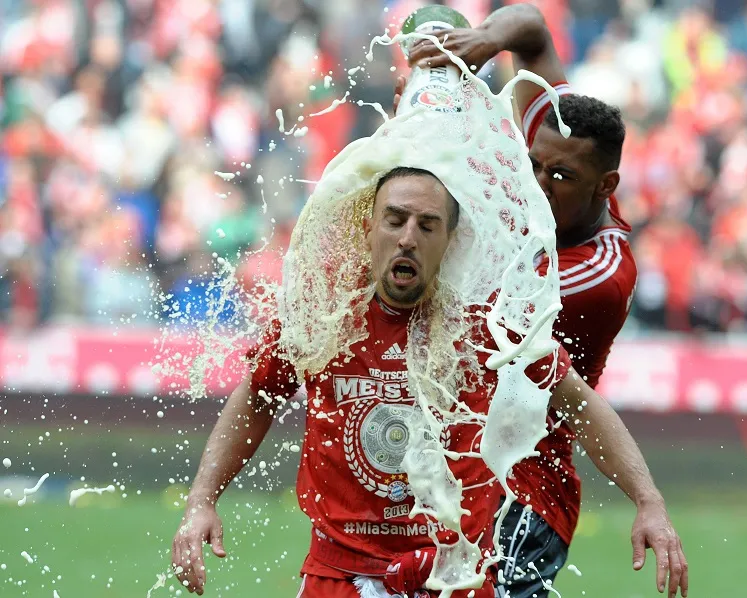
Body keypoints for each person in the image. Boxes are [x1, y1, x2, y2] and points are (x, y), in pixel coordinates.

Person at [171, 167, 681, 597]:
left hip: (452, 577)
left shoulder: (487, 325)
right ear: (368, 227)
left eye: (427, 225)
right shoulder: (323, 313)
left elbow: (579, 404)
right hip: (339, 575)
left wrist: (649, 501)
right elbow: (258, 396)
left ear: (449, 241)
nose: (408, 237)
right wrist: (202, 500)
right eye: (394, 220)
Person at [405, 4, 689, 598]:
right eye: (532, 163)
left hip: (526, 488)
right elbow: (531, 26)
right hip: (457, 463)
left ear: (604, 187)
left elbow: (472, 289)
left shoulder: (600, 275)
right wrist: (486, 39)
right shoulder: (554, 132)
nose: (536, 183)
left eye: (558, 177)